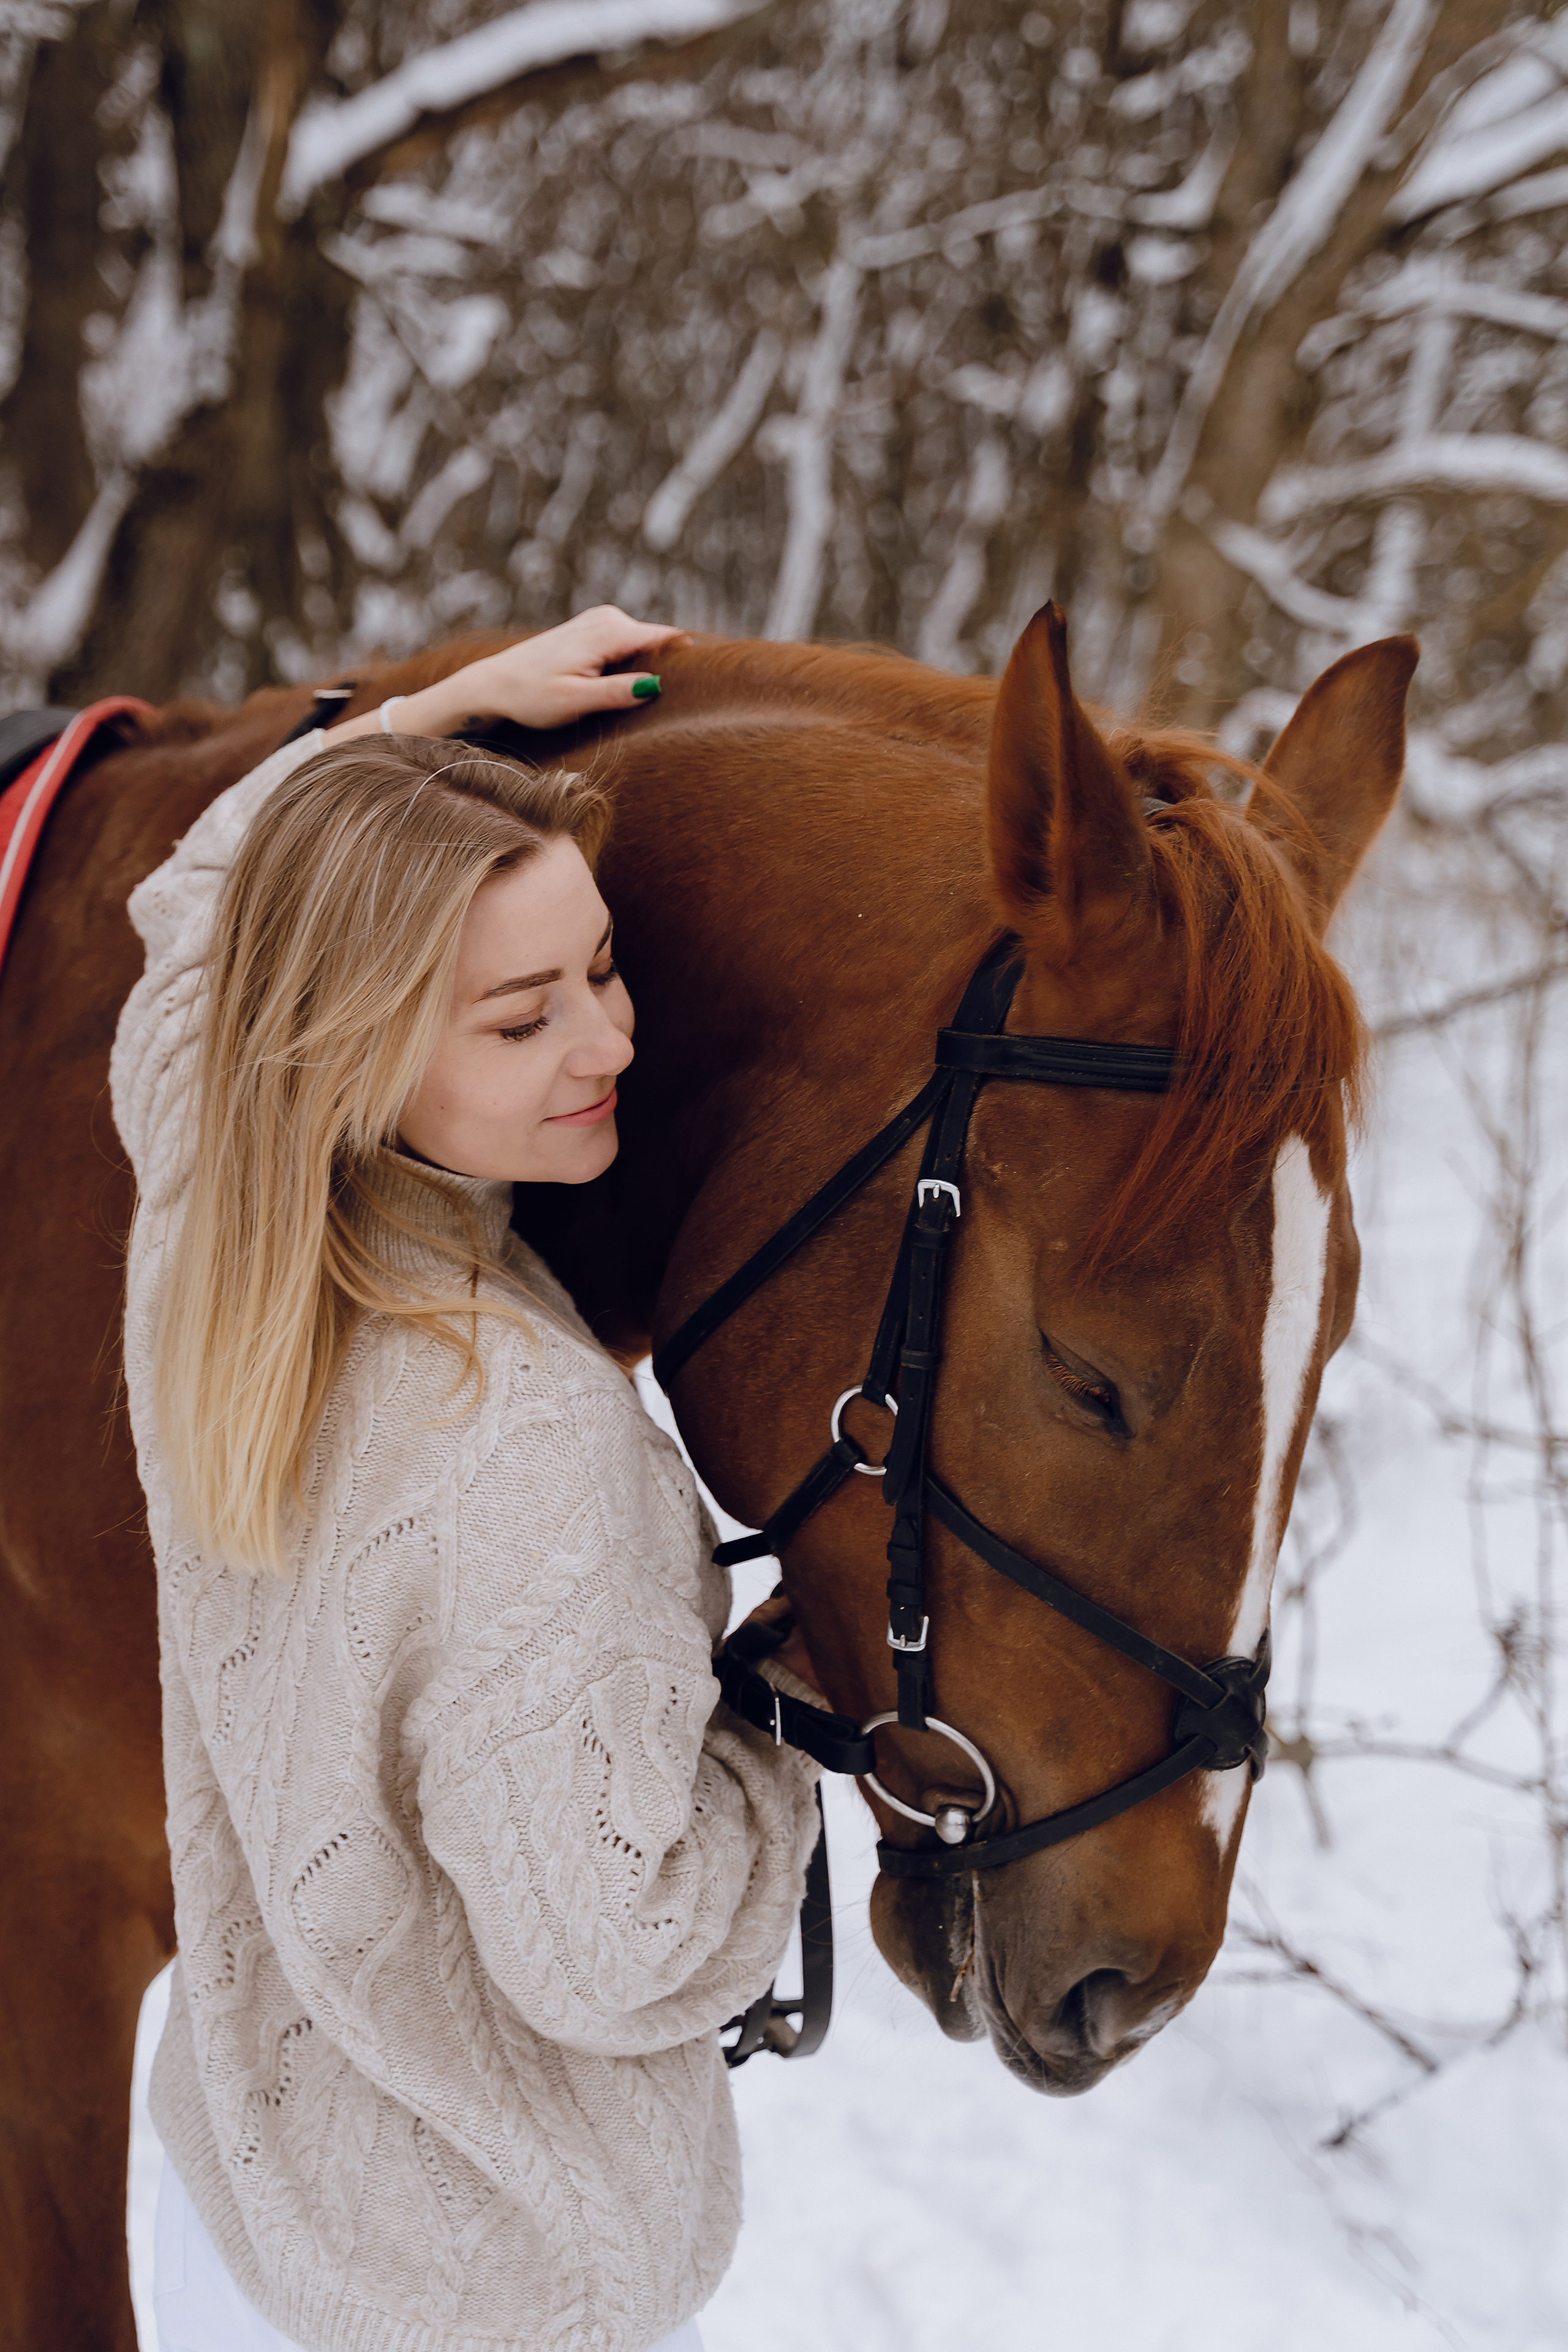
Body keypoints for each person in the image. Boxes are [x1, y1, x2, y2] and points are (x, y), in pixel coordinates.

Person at [111, 607, 823, 2352]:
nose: (609, 1044)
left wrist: (434, 723)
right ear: (353, 1043)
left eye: (601, 967)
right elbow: (613, 1947)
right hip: (506, 2287)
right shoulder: (529, 1442)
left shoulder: (208, 1209)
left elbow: (200, 911)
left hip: (247, 2204)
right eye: (522, 1020)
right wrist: (782, 1734)